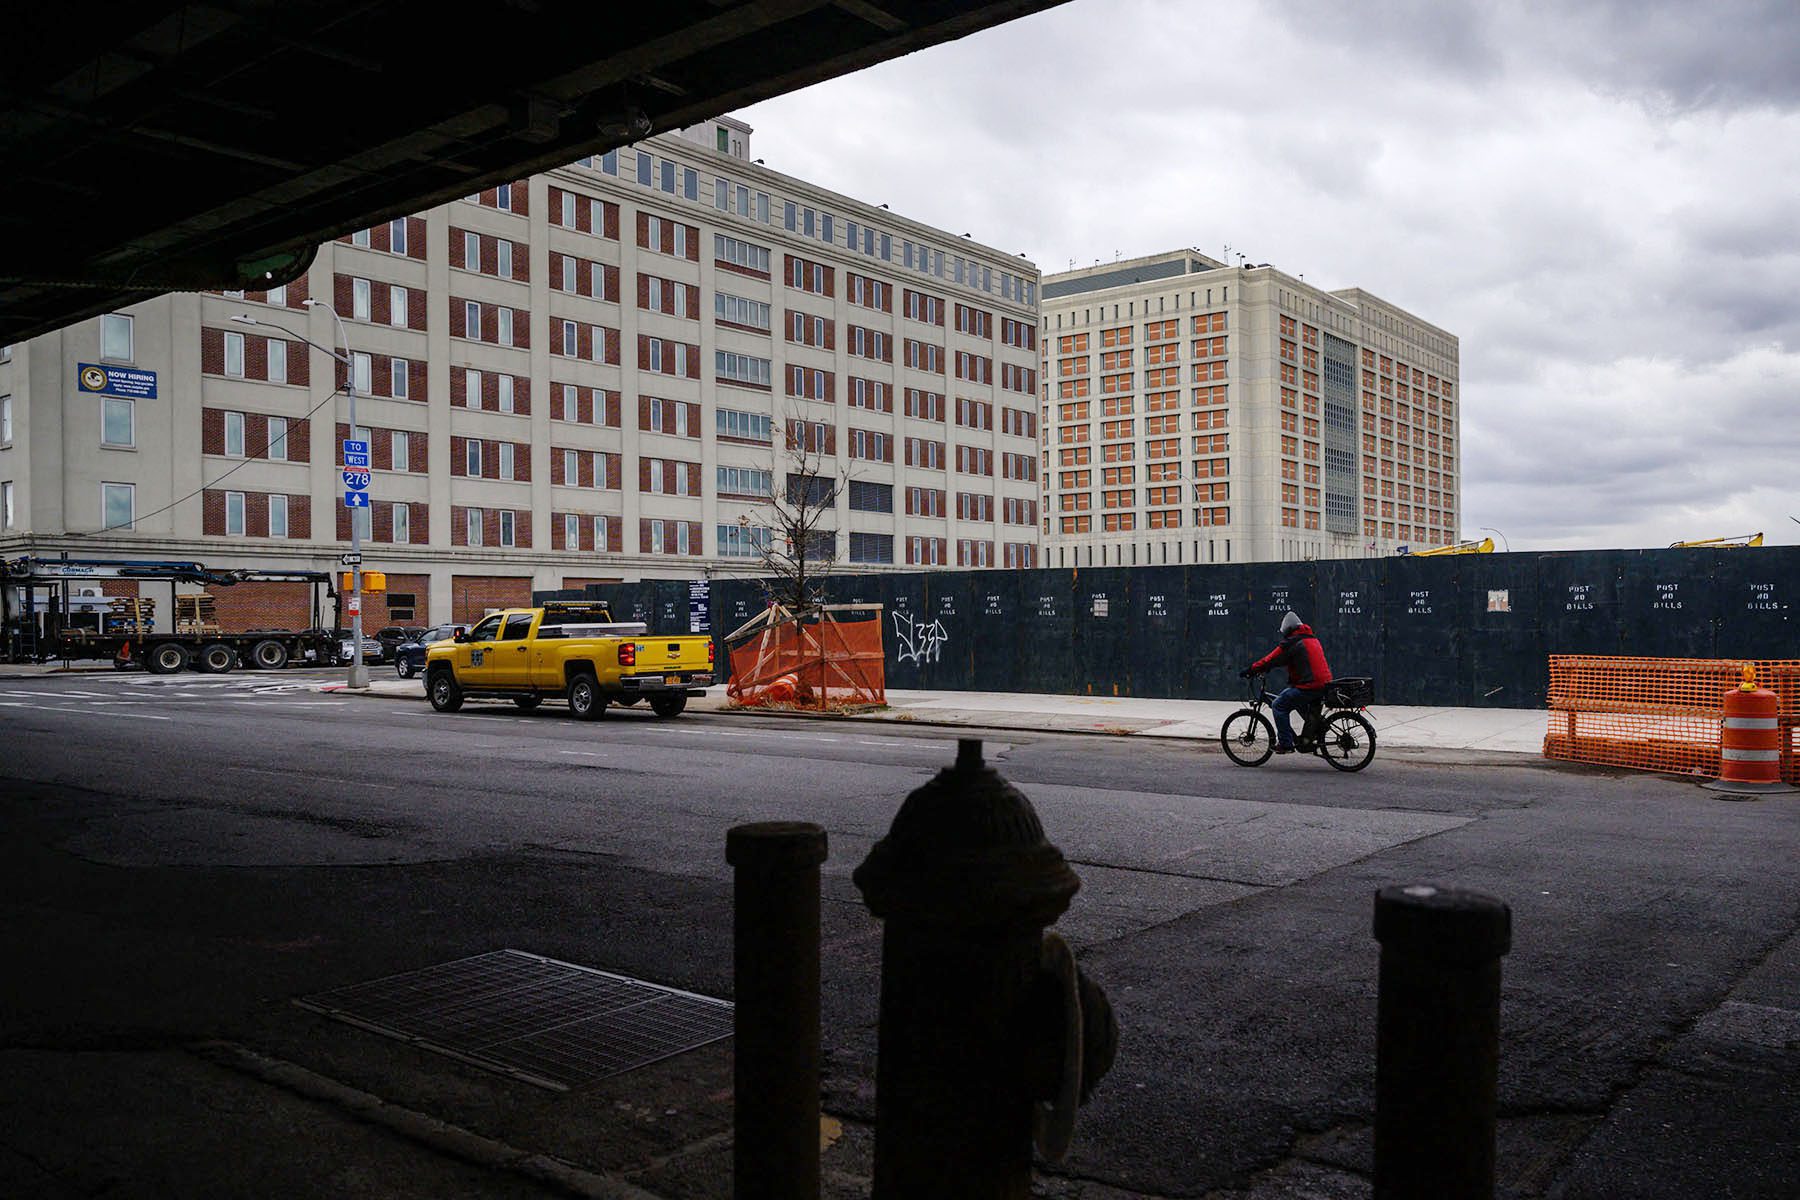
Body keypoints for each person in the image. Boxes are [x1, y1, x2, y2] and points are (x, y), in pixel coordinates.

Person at [1240, 611, 1332, 754]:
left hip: (1310, 685)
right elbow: (1285, 660)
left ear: (1288, 630)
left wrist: (1251, 669)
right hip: (1323, 684)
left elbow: (1271, 659)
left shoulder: (1293, 642)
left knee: (1278, 705)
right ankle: (1313, 732)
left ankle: (1286, 744)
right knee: (1293, 698)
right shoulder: (1311, 639)